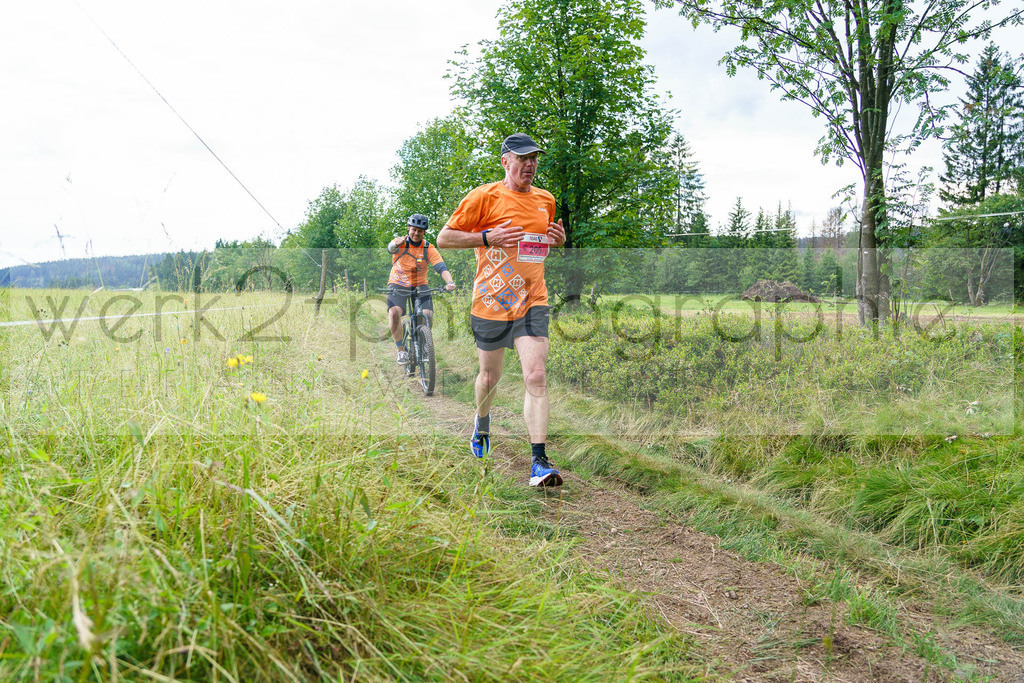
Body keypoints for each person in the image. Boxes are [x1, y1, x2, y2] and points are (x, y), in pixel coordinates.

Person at [437, 133, 566, 487]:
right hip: (491, 303)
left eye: (535, 158)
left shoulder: (546, 200)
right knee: (489, 379)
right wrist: (486, 237)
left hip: (532, 301)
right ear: (505, 161)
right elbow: (444, 238)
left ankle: (538, 461)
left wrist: (557, 241)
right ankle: (482, 424)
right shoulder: (484, 196)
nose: (530, 164)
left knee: (536, 375)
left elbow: (537, 247)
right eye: (523, 158)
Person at [386, 213, 456, 364]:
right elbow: (390, 248)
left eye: (420, 230)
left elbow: (440, 266)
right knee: (394, 313)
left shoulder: (427, 248)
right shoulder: (400, 243)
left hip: (419, 284)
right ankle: (401, 351)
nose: (416, 233)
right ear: (409, 229)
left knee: (427, 315)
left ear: (424, 232)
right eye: (413, 229)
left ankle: (424, 343)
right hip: (398, 283)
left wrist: (449, 281)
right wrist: (395, 245)